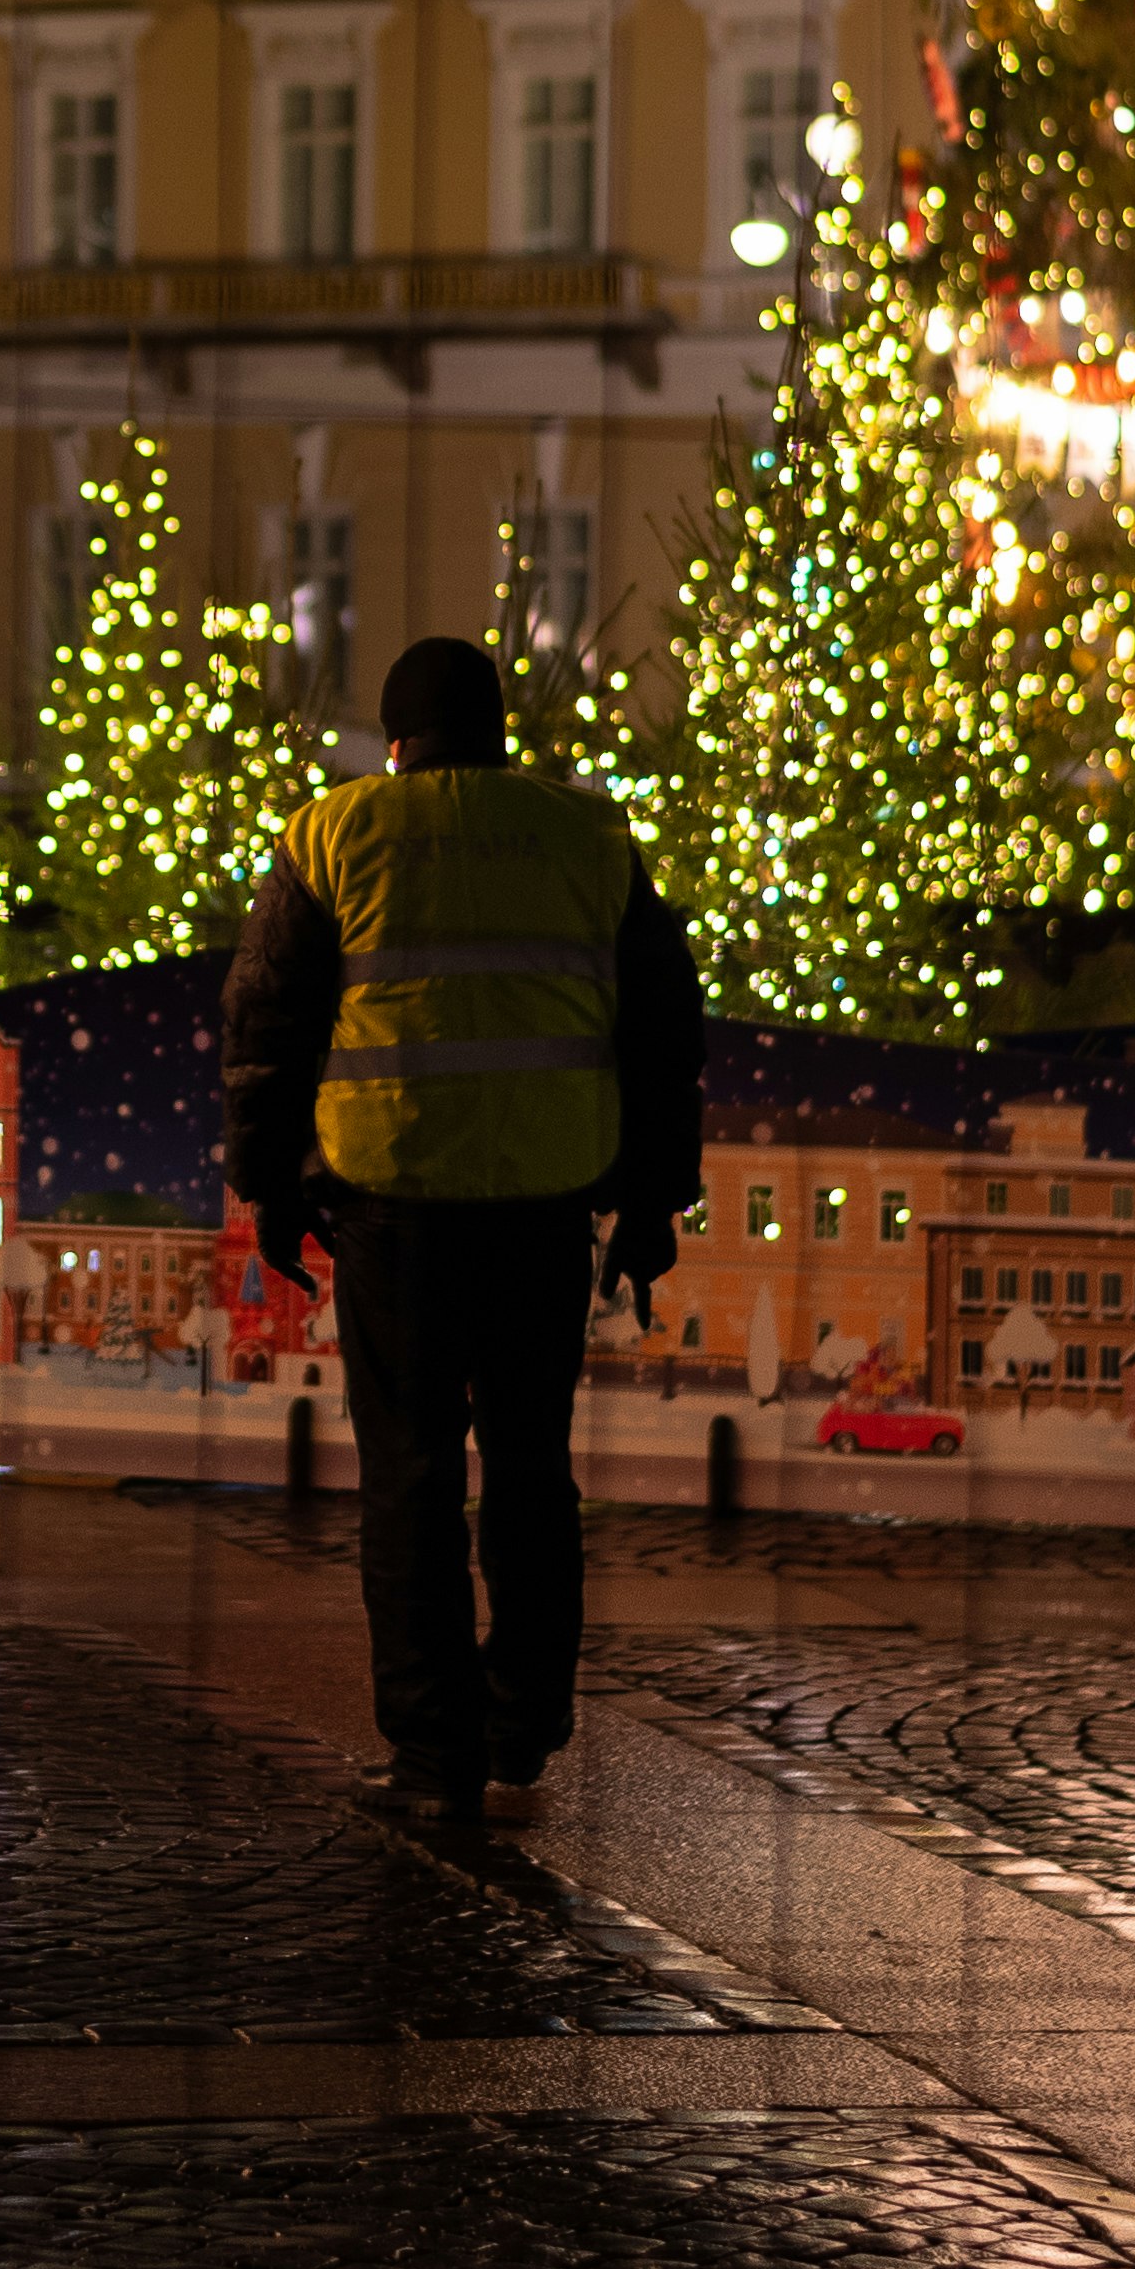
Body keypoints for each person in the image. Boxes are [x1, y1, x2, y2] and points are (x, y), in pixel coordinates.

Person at [220, 635, 700, 1828]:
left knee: (412, 1481)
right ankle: (523, 1724)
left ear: (394, 739)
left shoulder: (333, 832)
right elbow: (660, 1029)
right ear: (498, 732)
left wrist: (268, 1188)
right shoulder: (587, 836)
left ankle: (432, 1759)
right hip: (548, 1203)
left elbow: (266, 1021)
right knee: (533, 1473)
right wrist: (649, 1202)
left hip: (394, 1205)